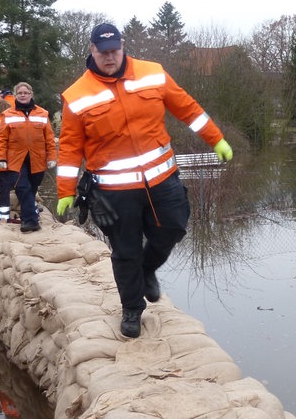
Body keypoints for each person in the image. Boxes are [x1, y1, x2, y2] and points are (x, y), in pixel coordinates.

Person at [55, 23, 233, 338]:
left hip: (162, 180)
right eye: (103, 52)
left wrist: (216, 139)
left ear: (122, 47)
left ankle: (147, 269)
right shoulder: (77, 95)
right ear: (92, 51)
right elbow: (70, 147)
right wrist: (65, 191)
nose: (110, 57)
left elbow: (188, 109)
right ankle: (132, 310)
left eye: (114, 51)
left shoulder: (152, 73)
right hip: (114, 190)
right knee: (125, 252)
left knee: (174, 228)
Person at [0, 82, 58, 232]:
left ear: (31, 94)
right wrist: (1, 158)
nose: (23, 95)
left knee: (32, 187)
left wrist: (52, 157)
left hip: (37, 159)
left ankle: (28, 214)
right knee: (23, 187)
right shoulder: (8, 115)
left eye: (26, 92)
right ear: (16, 96)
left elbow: (49, 138)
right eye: (20, 93)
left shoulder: (42, 114)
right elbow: (1, 139)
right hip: (16, 159)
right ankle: (30, 221)